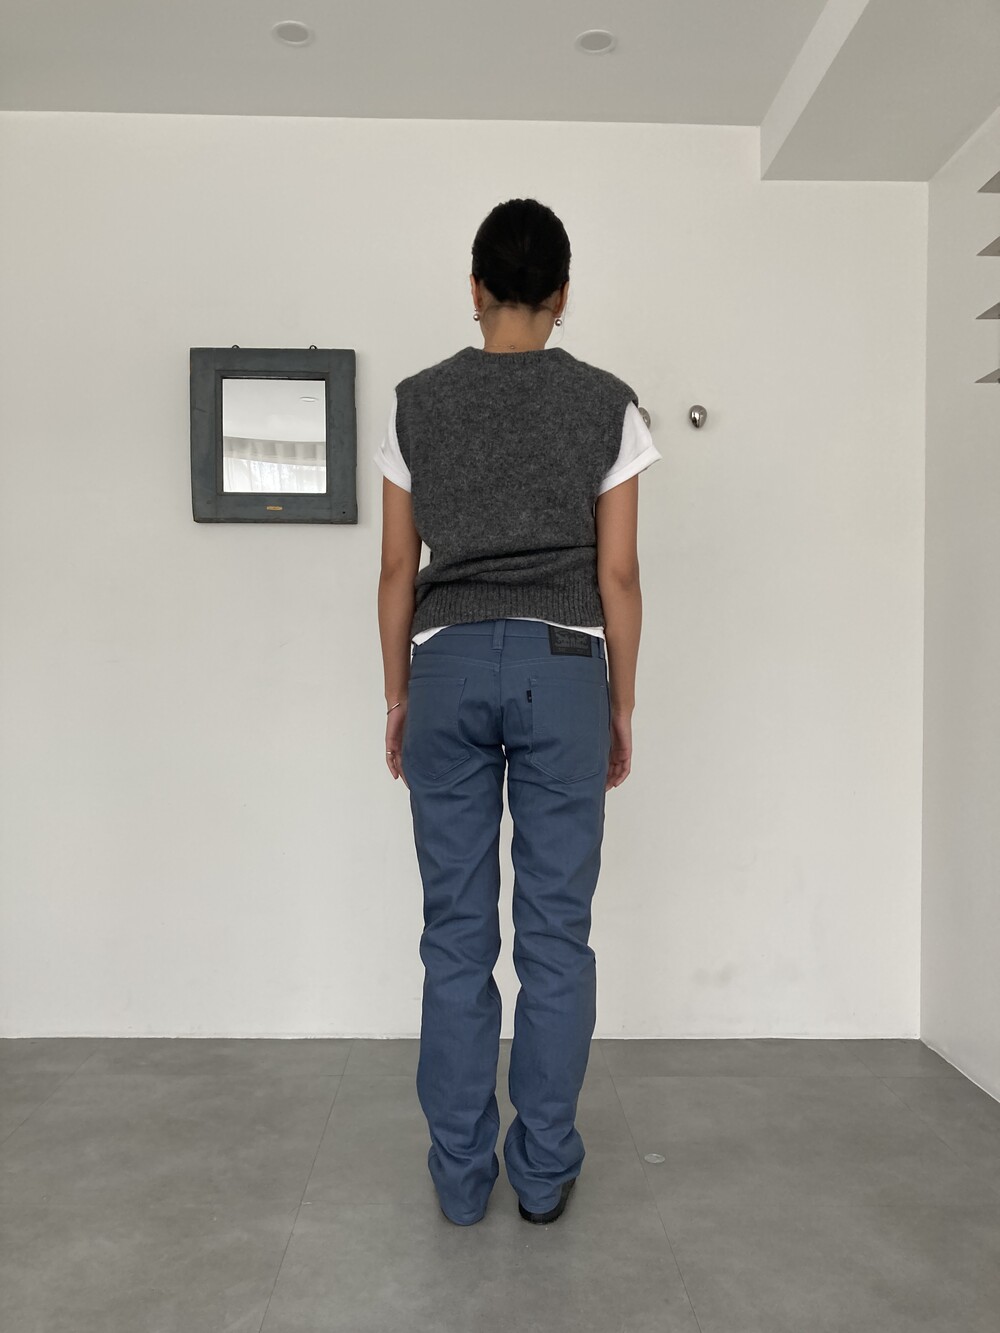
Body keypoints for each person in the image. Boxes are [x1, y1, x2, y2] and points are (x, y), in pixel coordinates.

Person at [374, 198, 661, 1228]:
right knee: (555, 939)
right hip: (564, 667)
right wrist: (619, 703)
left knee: (455, 936)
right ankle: (541, 1177)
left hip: (446, 665)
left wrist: (399, 694)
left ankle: (461, 1180)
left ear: (475, 286)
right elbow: (617, 574)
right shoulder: (608, 404)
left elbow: (396, 569)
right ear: (563, 295)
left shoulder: (415, 403)